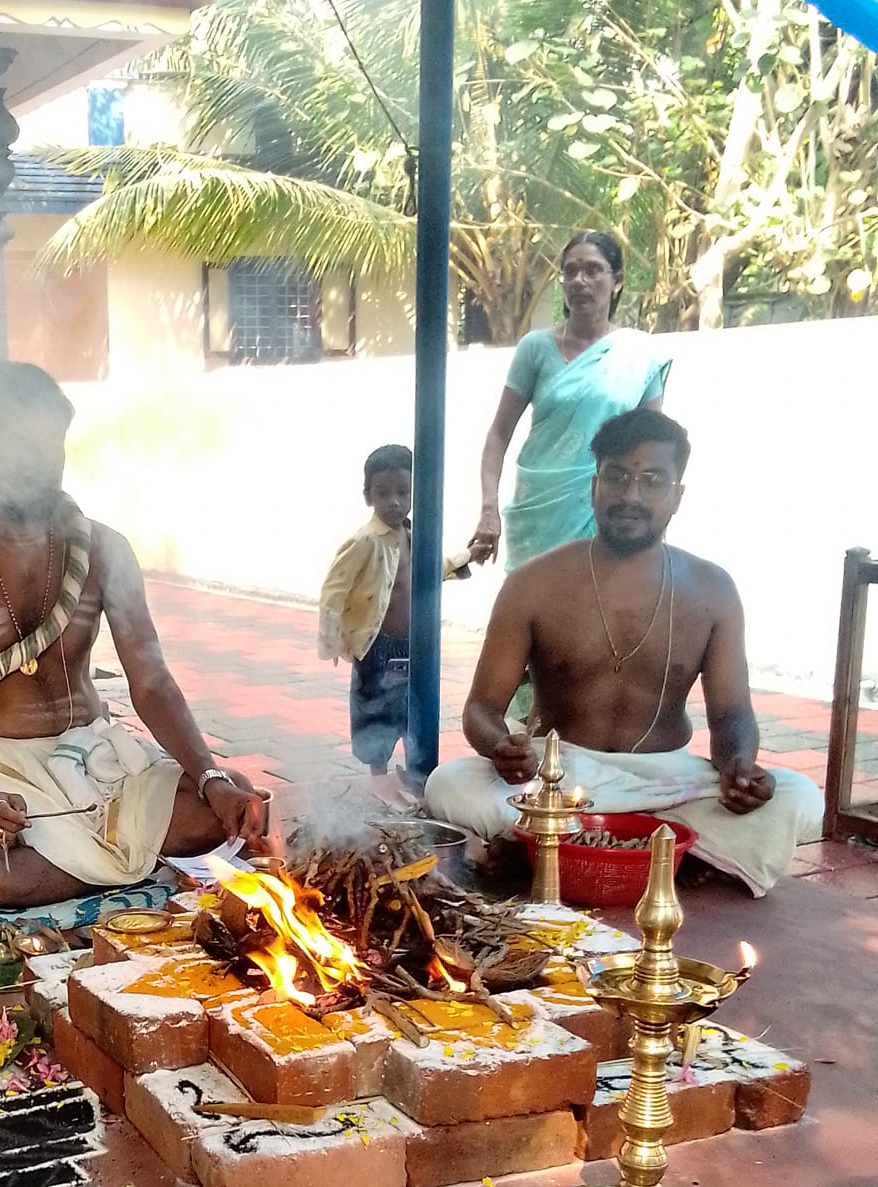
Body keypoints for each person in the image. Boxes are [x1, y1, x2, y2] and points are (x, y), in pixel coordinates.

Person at [0, 361, 268, 907]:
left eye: (50, 447)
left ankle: (58, 873)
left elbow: (153, 683)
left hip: (98, 764)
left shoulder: (105, 549)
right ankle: (123, 865)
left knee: (228, 798)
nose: (40, 466)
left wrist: (210, 776)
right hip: (0, 775)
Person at [424, 408, 823, 897]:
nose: (631, 495)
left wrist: (740, 766)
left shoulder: (713, 590)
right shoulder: (533, 584)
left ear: (677, 496)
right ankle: (667, 853)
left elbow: (733, 712)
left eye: (652, 480)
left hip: (666, 781)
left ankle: (552, 848)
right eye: (617, 476)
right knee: (449, 784)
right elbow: (482, 709)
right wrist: (500, 748)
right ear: (595, 486)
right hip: (558, 773)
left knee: (801, 797)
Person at [469, 232, 670, 571]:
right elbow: (498, 434)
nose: (580, 281)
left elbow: (652, 450)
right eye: (570, 271)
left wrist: (652, 522)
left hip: (606, 511)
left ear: (617, 281)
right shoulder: (535, 349)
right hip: (538, 512)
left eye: (593, 270)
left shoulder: (640, 355)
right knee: (532, 611)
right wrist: (489, 509)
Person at [318, 443, 471, 775]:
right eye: (383, 493)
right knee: (374, 710)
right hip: (378, 645)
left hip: (412, 645)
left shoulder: (416, 536)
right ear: (368, 495)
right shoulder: (365, 541)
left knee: (410, 708)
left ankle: (413, 773)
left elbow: (426, 571)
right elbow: (334, 588)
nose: (394, 501)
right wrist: (331, 639)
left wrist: (462, 561)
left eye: (403, 491)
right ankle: (378, 777)